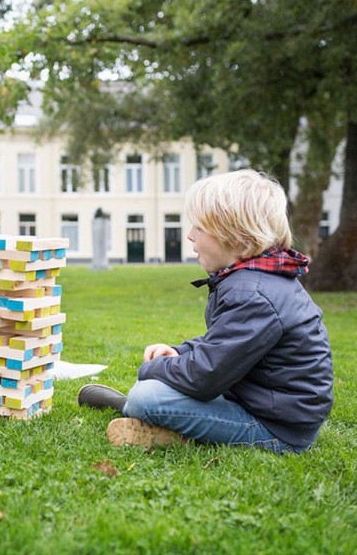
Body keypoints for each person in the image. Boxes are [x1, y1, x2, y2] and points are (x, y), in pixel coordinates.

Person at [78, 169, 333, 454]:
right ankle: (148, 414)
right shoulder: (255, 282)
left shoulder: (254, 294)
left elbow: (205, 377)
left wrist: (152, 369)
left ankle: (135, 409)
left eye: (199, 228)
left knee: (147, 396)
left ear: (235, 237)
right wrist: (179, 352)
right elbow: (224, 344)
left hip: (277, 429)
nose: (189, 236)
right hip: (261, 403)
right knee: (157, 389)